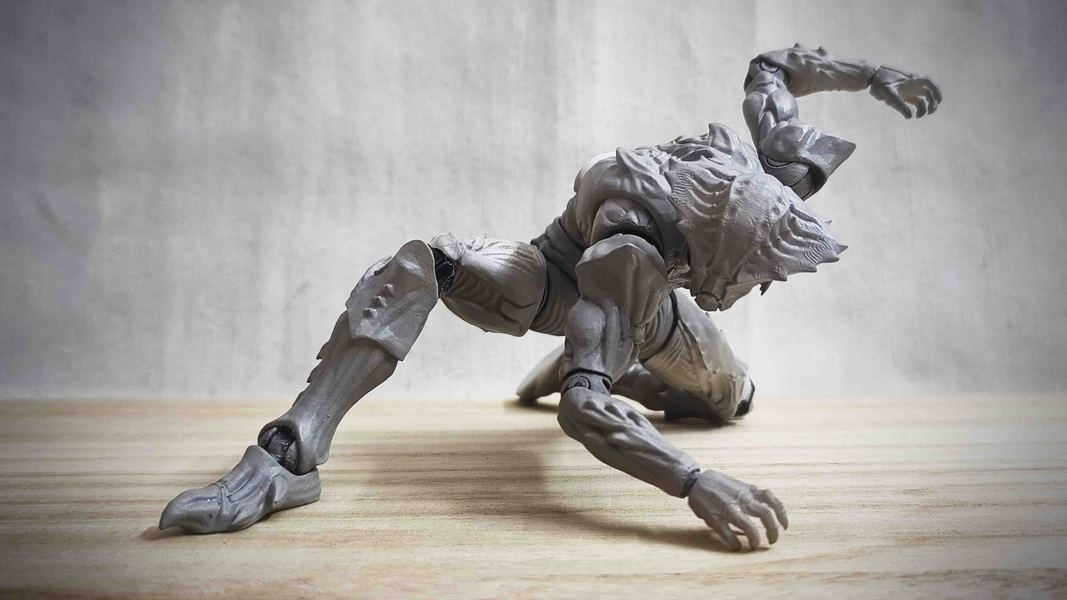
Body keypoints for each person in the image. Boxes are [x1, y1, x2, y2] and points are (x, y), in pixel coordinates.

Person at [160, 45, 941, 551]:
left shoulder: (760, 182)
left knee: (725, 396)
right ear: (721, 245)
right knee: (426, 261)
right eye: (758, 273)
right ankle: (289, 455)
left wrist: (872, 75)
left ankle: (624, 369)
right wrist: (696, 482)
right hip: (560, 287)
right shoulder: (629, 257)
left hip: (618, 308)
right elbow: (584, 412)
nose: (760, 286)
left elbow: (770, 69)